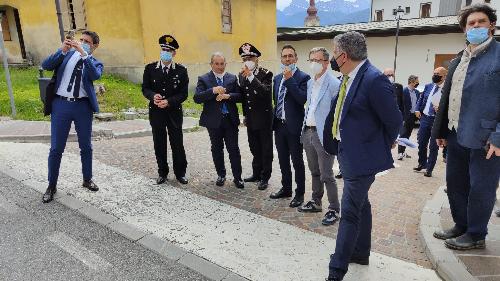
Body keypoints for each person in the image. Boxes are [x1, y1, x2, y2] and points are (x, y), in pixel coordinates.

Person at [323, 31, 402, 281]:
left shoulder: (374, 79)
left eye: (334, 53)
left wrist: (381, 143)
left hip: (362, 159)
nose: (333, 58)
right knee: (362, 205)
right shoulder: (348, 76)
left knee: (349, 212)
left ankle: (336, 270)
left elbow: (394, 119)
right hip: (347, 153)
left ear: (344, 55)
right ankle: (360, 252)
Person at [432, 3, 500, 251]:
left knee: (481, 189)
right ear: (464, 28)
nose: (476, 26)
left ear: (491, 24)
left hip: (486, 139)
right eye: (471, 23)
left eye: (481, 21)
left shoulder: (498, 55)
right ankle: (461, 224)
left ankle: (476, 234)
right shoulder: (459, 59)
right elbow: (449, 96)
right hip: (455, 133)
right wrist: (441, 132)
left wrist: (499, 137)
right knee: (455, 184)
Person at [41, 31, 103, 203]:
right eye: (80, 40)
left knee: (86, 146)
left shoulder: (94, 62)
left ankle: (87, 179)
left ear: (94, 46)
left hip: (82, 106)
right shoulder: (66, 55)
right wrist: (62, 49)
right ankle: (51, 185)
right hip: (61, 105)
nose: (81, 42)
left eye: (86, 42)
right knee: (56, 148)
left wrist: (83, 54)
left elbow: (95, 75)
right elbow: (46, 65)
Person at [298, 47, 341, 226]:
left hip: (323, 135)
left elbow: (337, 114)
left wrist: (334, 136)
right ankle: (316, 201)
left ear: (326, 62)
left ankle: (334, 209)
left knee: (327, 174)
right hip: (308, 132)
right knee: (314, 172)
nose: (314, 64)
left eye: (317, 60)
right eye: (311, 60)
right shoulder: (310, 83)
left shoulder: (334, 84)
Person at [142, 35, 189, 185]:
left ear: (174, 53)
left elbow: (183, 94)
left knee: (177, 143)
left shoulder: (181, 70)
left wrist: (169, 101)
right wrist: (152, 96)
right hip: (156, 113)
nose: (166, 52)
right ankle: (162, 172)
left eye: (169, 50)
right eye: (163, 49)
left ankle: (180, 173)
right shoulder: (150, 68)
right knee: (159, 143)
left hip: (174, 112)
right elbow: (145, 88)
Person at [194, 52, 244, 189]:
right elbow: (197, 98)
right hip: (213, 121)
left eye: (222, 64)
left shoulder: (232, 78)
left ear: (225, 64)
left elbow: (240, 96)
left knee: (234, 149)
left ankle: (237, 177)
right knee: (217, 149)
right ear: (211, 64)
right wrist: (213, 91)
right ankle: (221, 175)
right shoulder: (204, 79)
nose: (220, 66)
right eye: (216, 64)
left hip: (230, 120)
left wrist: (228, 96)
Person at [270, 45, 310, 208]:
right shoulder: (277, 78)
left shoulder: (303, 77)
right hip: (279, 125)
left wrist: (290, 80)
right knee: (282, 159)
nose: (287, 59)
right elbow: (276, 100)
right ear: (281, 59)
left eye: (290, 56)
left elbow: (302, 99)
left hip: (294, 127)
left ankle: (299, 193)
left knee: (297, 161)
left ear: (296, 58)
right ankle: (286, 188)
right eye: (284, 56)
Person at [238, 43, 274, 190]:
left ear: (257, 58)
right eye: (245, 58)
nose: (248, 60)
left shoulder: (266, 74)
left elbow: (265, 93)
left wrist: (252, 77)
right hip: (251, 118)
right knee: (254, 147)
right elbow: (245, 98)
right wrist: (245, 115)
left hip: (264, 118)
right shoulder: (241, 75)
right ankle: (256, 173)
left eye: (250, 57)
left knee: (265, 149)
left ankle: (265, 177)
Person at [413, 67, 448, 177]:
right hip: (425, 118)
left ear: (444, 76)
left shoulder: (447, 89)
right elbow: (421, 98)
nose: (435, 75)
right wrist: (417, 109)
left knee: (433, 146)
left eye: (438, 74)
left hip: (437, 121)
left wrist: (442, 109)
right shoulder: (429, 86)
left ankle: (429, 168)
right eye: (434, 73)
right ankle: (422, 163)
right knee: (421, 142)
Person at [397, 75, 421, 160]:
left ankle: (403, 152)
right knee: (403, 134)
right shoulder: (404, 91)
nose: (418, 83)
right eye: (416, 82)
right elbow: (399, 105)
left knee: (408, 134)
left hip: (413, 116)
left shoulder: (417, 92)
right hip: (405, 116)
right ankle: (400, 153)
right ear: (411, 82)